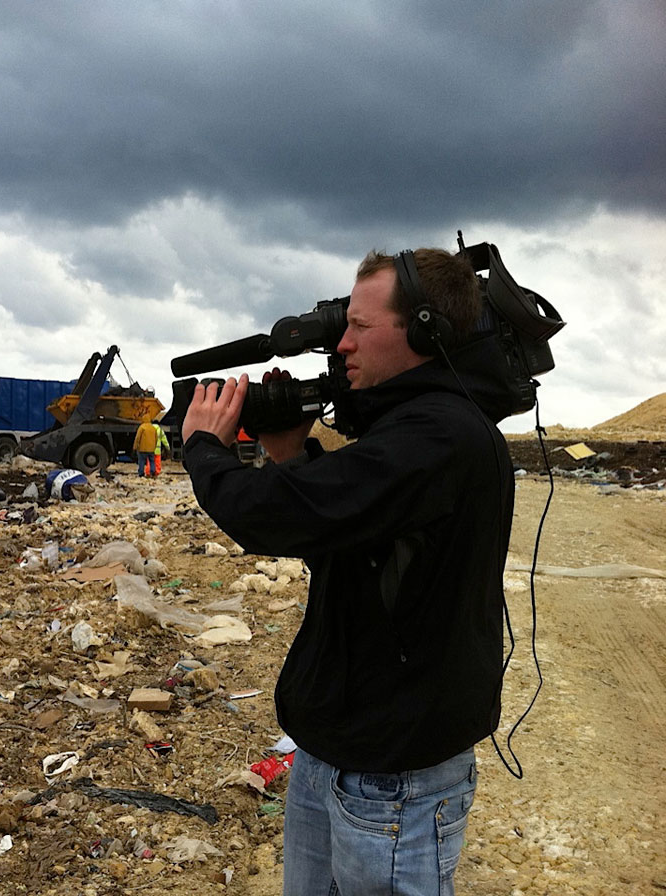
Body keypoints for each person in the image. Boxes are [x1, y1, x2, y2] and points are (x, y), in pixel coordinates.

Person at [181, 248, 515, 896]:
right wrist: (290, 453)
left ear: (425, 331)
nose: (342, 341)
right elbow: (343, 541)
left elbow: (272, 517)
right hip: (336, 752)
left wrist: (204, 450)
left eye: (360, 326)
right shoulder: (410, 432)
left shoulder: (438, 438)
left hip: (395, 780)